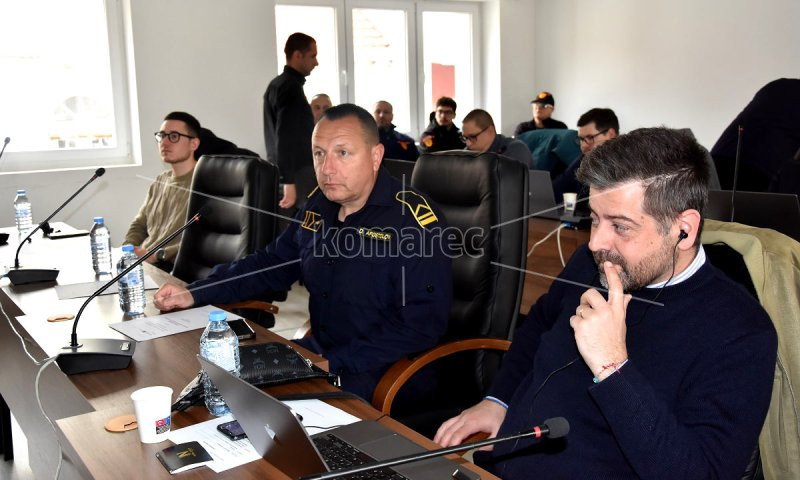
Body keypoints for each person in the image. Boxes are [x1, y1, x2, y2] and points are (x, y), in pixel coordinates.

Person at [434, 127, 777, 479]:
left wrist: (613, 369)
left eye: (621, 226)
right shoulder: (591, 264)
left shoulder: (741, 334)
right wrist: (498, 400)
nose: (596, 242)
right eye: (595, 218)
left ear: (684, 230)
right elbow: (538, 325)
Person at [154, 104, 452, 400]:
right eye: (319, 154)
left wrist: (330, 363)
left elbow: (420, 326)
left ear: (375, 156)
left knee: (255, 407)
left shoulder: (413, 220)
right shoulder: (319, 206)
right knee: (213, 383)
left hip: (386, 371)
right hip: (324, 355)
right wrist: (195, 292)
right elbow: (271, 264)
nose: (327, 168)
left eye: (343, 153)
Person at [124, 111, 201, 271]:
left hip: (171, 267)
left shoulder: (205, 182)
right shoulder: (161, 180)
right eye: (162, 136)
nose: (164, 142)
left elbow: (204, 239)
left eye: (174, 136)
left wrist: (158, 255)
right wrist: (128, 249)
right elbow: (139, 225)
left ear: (194, 144)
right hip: (144, 264)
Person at [264, 32, 318, 210]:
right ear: (297, 55)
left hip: (282, 173)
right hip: (297, 176)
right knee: (303, 224)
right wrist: (288, 181)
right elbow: (285, 136)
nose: (316, 62)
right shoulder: (290, 88)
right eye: (312, 56)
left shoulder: (276, 85)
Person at [552, 107, 618, 203]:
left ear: (610, 134)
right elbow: (556, 190)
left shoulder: (628, 164)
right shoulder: (585, 158)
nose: (583, 145)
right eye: (581, 139)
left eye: (590, 137)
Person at [461, 109, 531, 167]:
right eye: (465, 138)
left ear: (489, 131)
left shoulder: (516, 149)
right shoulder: (467, 153)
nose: (468, 143)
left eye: (473, 137)